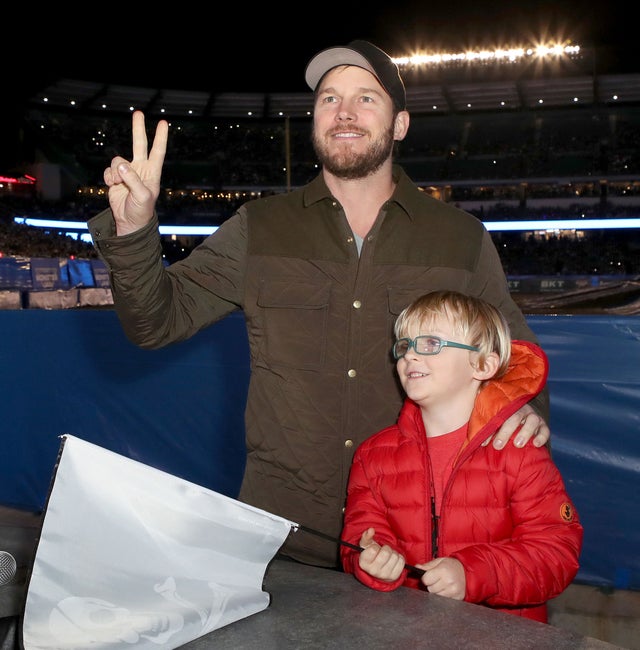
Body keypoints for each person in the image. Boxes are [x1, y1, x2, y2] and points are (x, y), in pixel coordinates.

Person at [87, 40, 551, 569]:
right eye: (329, 99)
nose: (345, 113)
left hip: (410, 543)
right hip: (281, 535)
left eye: (366, 99)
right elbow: (154, 322)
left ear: (400, 124)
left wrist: (524, 411)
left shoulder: (459, 238)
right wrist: (134, 228)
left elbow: (514, 352)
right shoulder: (259, 227)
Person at [340, 290, 583, 622]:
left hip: (503, 636)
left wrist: (474, 574)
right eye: (404, 346)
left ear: (482, 364)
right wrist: (372, 560)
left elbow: (555, 553)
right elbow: (360, 534)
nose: (409, 356)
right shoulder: (372, 456)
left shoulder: (519, 452)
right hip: (406, 631)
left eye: (430, 344)